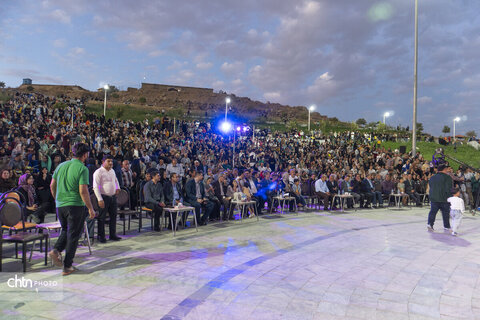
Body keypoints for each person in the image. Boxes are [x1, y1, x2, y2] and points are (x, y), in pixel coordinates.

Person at [49, 143, 96, 276]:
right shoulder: (82, 168)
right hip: (75, 205)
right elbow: (83, 191)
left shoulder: (61, 165)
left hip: (60, 205)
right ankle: (67, 266)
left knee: (66, 230)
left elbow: (52, 185)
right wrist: (91, 209)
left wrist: (57, 198)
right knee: (74, 235)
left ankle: (56, 250)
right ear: (85, 155)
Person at [93, 154, 122, 243]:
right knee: (102, 218)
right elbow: (95, 187)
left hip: (112, 197)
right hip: (103, 197)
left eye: (111, 161)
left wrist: (118, 187)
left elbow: (116, 180)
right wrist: (99, 199)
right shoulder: (98, 172)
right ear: (103, 162)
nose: (110, 163)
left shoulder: (112, 171)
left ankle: (112, 234)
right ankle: (101, 236)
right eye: (108, 161)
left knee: (113, 216)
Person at [427, 164, 452, 231]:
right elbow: (448, 189)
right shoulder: (447, 177)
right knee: (445, 213)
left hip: (434, 198)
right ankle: (446, 226)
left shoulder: (432, 177)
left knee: (433, 212)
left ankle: (430, 224)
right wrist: (450, 198)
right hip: (444, 198)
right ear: (444, 169)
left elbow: (431, 187)